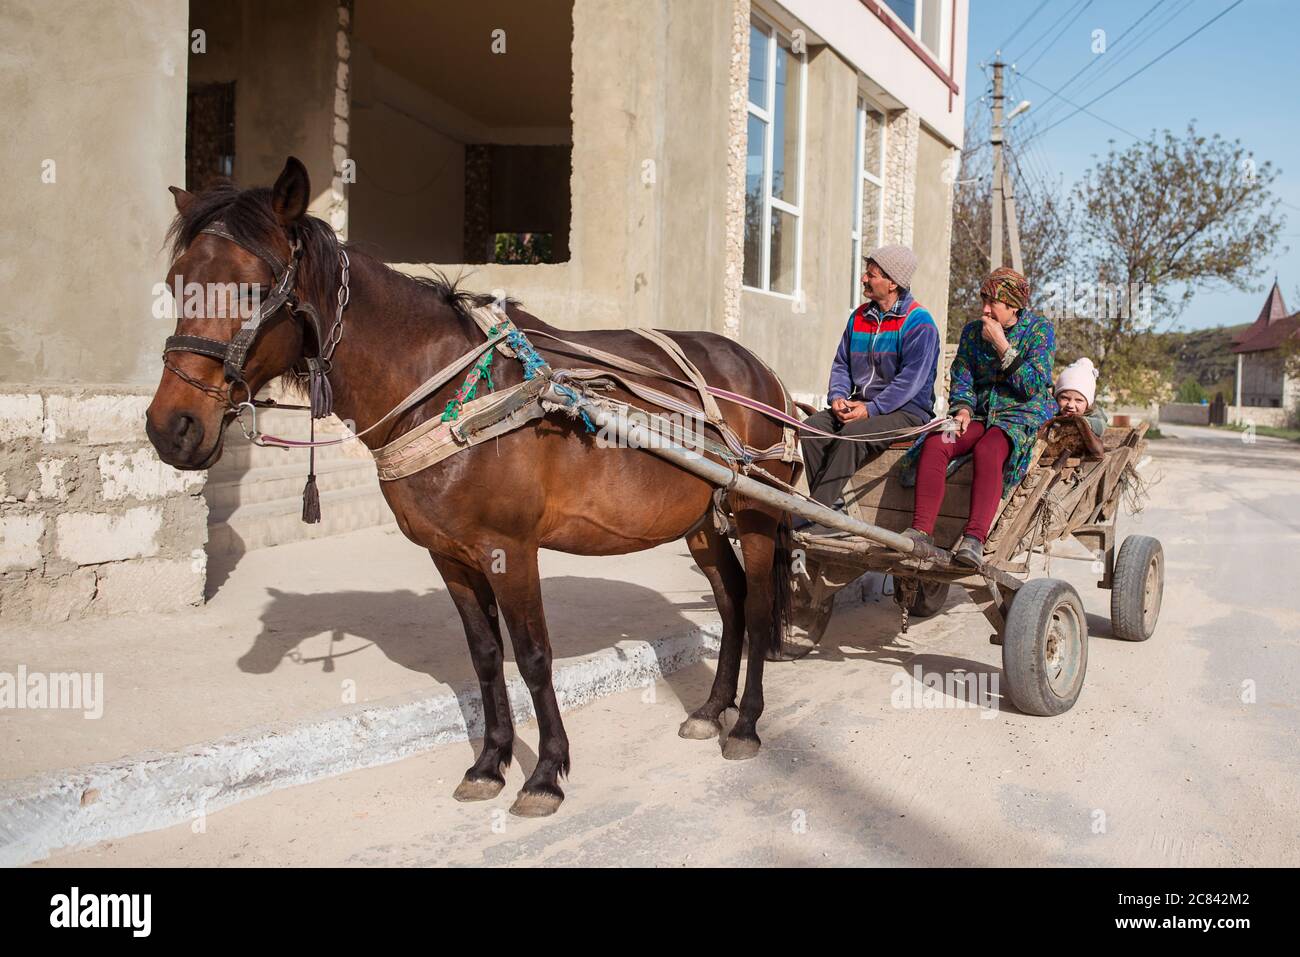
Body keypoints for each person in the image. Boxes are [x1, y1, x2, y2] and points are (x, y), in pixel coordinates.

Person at [899, 266, 1057, 567]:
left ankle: (974, 539)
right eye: (983, 300)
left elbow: (1032, 385)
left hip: (1018, 415)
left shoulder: (1040, 331)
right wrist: (963, 408)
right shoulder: (973, 332)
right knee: (936, 442)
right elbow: (962, 373)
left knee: (989, 450)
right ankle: (921, 532)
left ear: (1013, 305)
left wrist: (1001, 344)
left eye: (992, 303)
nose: (984, 309)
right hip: (978, 413)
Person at [798, 244, 940, 522]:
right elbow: (841, 364)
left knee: (855, 434)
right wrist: (838, 396)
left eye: (871, 274)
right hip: (863, 405)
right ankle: (834, 510)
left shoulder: (919, 323)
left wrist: (871, 409)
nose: (864, 278)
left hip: (908, 411)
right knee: (811, 428)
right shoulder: (859, 317)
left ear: (893, 283)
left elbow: (910, 382)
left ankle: (816, 515)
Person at [1054, 357, 1107, 458]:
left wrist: (1083, 422)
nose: (1070, 405)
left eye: (1078, 400)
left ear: (1088, 404)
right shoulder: (1053, 413)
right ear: (1056, 398)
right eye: (1065, 398)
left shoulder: (1094, 414)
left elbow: (1100, 424)